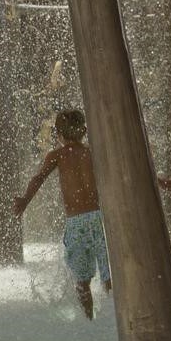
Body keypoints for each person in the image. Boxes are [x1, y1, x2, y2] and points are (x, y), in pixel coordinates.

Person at [13, 109, 109, 320]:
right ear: (84, 130)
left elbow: (38, 178)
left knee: (81, 281)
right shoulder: (93, 153)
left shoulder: (57, 155)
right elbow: (122, 172)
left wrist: (25, 200)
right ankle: (113, 319)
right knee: (107, 274)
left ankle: (89, 320)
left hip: (76, 223)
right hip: (99, 220)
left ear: (57, 133)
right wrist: (159, 183)